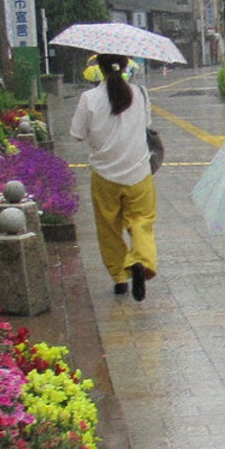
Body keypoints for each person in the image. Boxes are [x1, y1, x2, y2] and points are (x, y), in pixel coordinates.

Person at [69, 53, 158, 302]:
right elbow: (147, 125)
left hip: (105, 174)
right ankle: (140, 260)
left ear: (99, 68)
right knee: (141, 221)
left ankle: (119, 278)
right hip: (138, 172)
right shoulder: (140, 94)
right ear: (126, 65)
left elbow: (77, 134)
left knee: (109, 227)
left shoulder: (89, 98)